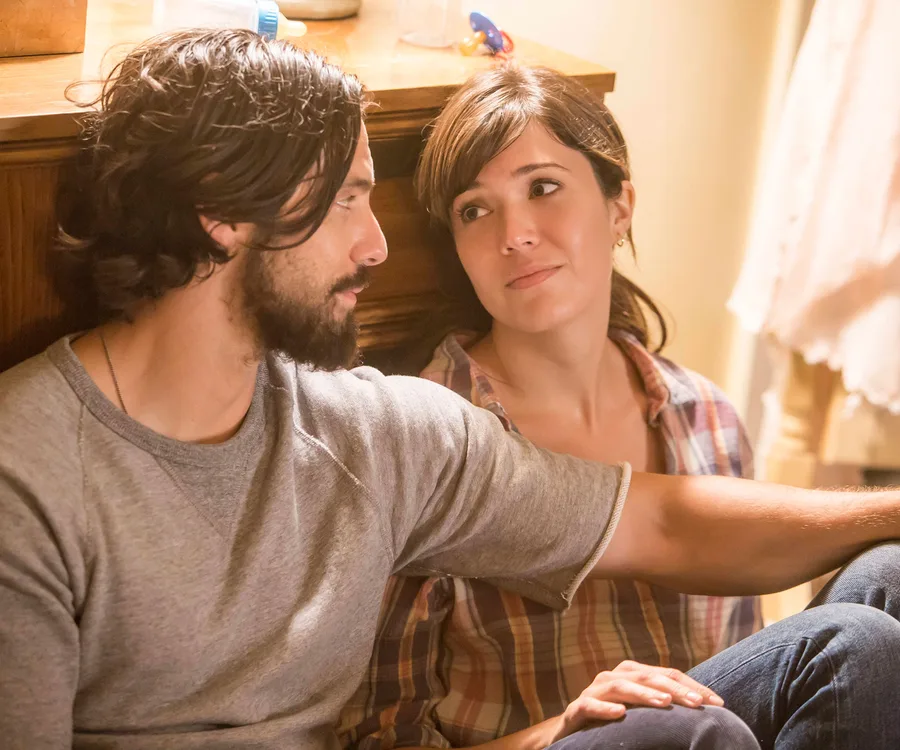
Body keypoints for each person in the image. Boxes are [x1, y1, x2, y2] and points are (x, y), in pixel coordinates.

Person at [1, 29, 900, 750]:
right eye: (349, 200)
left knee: (875, 609)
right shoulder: (28, 475)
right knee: (681, 733)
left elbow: (661, 522)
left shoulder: (374, 428)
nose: (378, 247)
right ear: (223, 212)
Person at [337, 65, 900, 750]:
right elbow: (379, 739)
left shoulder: (707, 416)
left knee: (887, 577)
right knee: (822, 655)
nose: (513, 234)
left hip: (711, 737)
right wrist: (565, 725)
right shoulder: (426, 440)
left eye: (543, 188)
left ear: (619, 206)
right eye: (474, 210)